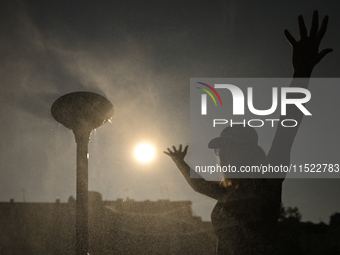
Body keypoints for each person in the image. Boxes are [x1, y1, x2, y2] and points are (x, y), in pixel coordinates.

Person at [164, 11, 332, 255]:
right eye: (220, 148)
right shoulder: (229, 192)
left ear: (247, 150)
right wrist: (180, 162)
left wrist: (302, 72)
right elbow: (198, 186)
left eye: (227, 147)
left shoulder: (267, 180)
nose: (221, 153)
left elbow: (289, 125)